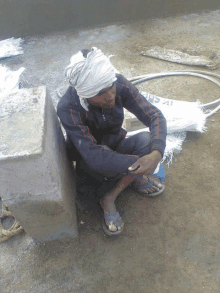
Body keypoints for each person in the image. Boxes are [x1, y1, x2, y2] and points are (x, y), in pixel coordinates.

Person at [57, 47, 167, 236]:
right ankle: (108, 199)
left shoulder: (118, 84)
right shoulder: (69, 108)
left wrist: (156, 153)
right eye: (100, 93)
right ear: (85, 93)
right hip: (89, 160)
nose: (110, 96)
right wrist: (136, 163)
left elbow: (154, 115)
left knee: (147, 142)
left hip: (116, 143)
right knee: (99, 172)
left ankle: (113, 192)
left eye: (111, 88)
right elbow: (93, 155)